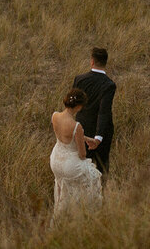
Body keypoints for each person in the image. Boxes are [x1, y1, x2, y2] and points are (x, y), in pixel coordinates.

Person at [50, 88, 102, 217]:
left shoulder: (55, 115)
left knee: (64, 185)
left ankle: (62, 214)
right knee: (94, 178)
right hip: (70, 165)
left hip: (55, 160)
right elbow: (82, 154)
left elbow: (67, 135)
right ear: (79, 106)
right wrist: (88, 144)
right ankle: (83, 214)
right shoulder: (76, 125)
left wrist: (87, 139)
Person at [73, 47, 116, 175]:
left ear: (92, 61)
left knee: (82, 165)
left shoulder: (79, 79)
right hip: (102, 132)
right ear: (105, 62)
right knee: (102, 166)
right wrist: (98, 137)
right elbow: (104, 111)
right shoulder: (109, 84)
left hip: (82, 129)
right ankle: (102, 192)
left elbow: (74, 105)